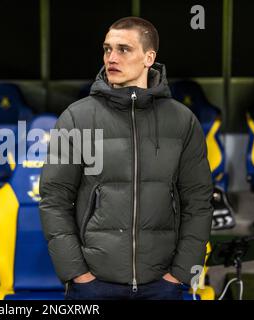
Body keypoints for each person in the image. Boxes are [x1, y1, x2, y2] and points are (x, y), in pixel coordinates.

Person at [39, 16, 213, 300]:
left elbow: (199, 201)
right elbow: (53, 199)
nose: (112, 57)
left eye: (123, 49)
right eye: (107, 49)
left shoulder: (182, 121)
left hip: (163, 283)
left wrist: (181, 273)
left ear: (149, 57)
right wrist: (77, 274)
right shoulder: (76, 117)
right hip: (93, 285)